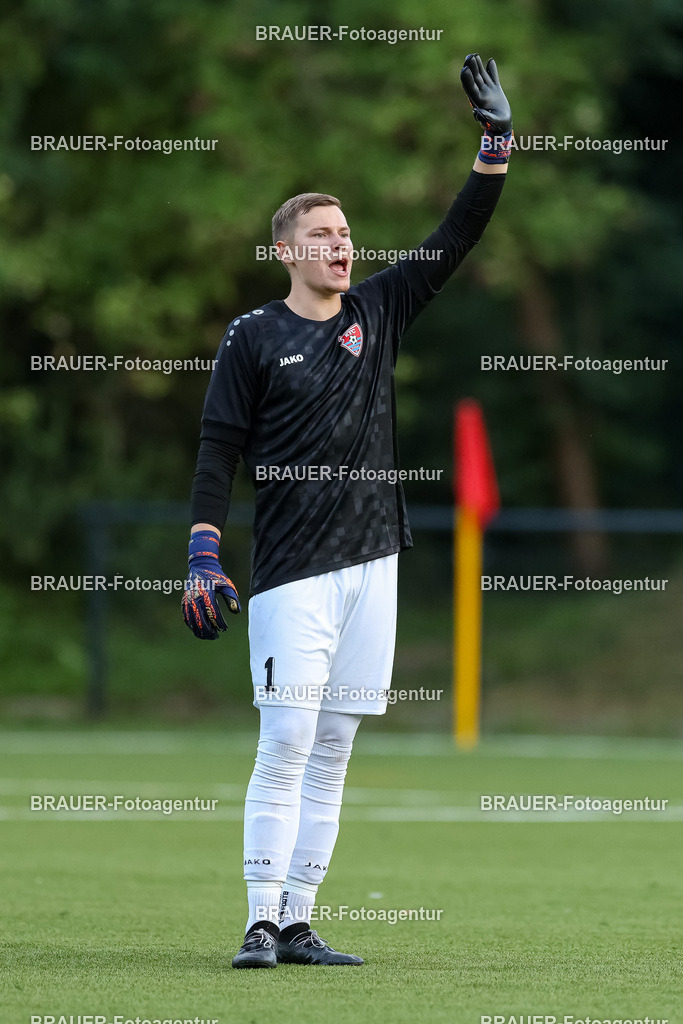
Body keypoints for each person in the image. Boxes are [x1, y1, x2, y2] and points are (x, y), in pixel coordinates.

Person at [182, 54, 512, 968]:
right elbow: (217, 449)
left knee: (331, 748)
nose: (340, 244)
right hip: (294, 570)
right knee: (286, 737)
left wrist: (494, 143)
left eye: (346, 232)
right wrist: (203, 553)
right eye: (321, 234)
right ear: (286, 251)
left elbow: (458, 233)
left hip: (375, 563)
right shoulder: (254, 336)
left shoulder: (379, 308)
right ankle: (257, 920)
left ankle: (297, 921)